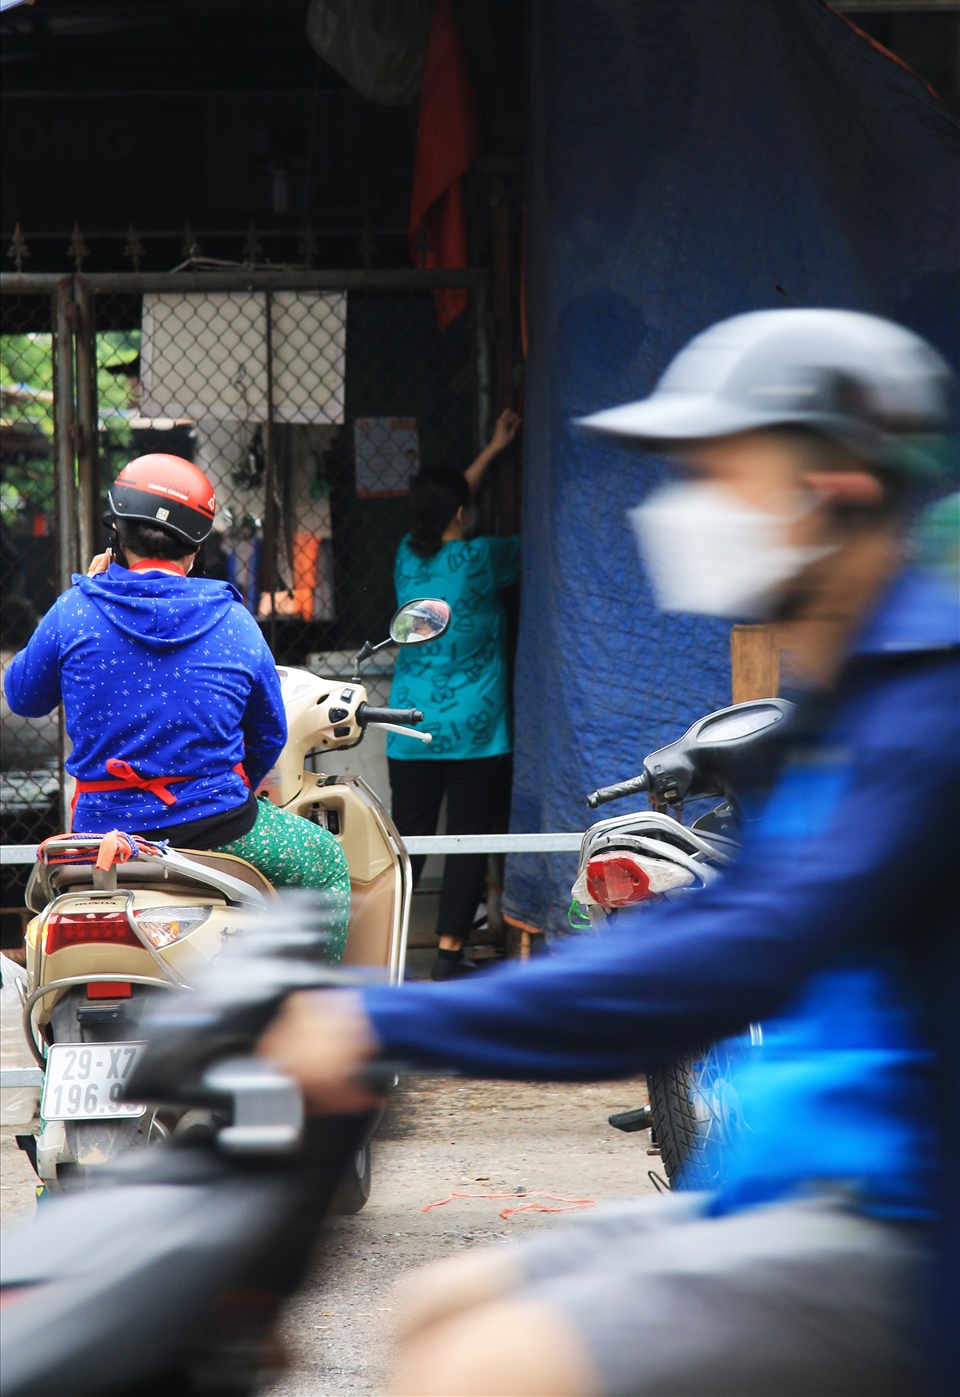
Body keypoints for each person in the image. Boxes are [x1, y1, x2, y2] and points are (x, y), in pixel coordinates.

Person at [260, 310, 958, 1396]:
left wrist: (384, 1016)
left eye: (721, 473)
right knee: (439, 1306)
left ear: (833, 488)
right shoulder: (843, 696)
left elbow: (737, 954)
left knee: (485, 1365)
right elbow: (724, 917)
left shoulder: (926, 708)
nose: (688, 509)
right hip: (784, 1192)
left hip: (899, 1231)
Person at [5, 452, 350, 961]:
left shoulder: (75, 610)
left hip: (102, 831)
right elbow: (269, 735)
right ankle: (314, 1013)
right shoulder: (235, 622)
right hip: (216, 829)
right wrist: (233, 788)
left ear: (117, 535)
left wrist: (88, 592)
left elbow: (22, 696)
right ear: (195, 548)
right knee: (323, 861)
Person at [387, 409, 521, 980]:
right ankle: (448, 954)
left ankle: (389, 948)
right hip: (475, 732)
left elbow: (440, 507)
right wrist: (497, 454)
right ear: (463, 515)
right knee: (469, 840)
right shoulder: (483, 559)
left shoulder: (404, 559)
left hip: (409, 727)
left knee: (408, 845)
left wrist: (489, 452)